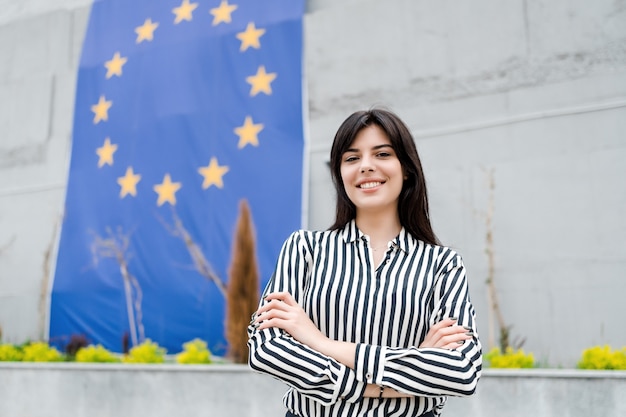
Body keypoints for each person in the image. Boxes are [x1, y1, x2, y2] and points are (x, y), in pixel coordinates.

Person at [248, 108, 482, 417]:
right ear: (339, 173)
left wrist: (320, 342)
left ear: (406, 168)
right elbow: (266, 348)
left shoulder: (443, 264)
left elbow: (462, 371)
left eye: (382, 154)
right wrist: (407, 367)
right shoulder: (305, 248)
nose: (366, 167)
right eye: (352, 158)